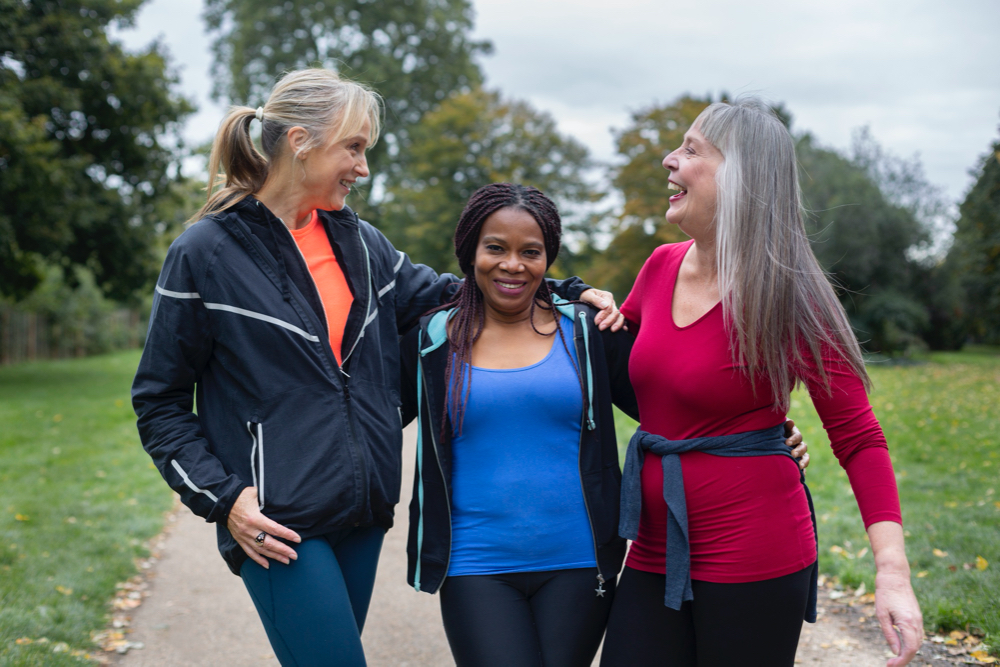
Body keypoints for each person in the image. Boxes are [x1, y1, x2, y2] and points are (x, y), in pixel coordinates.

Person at [130, 70, 617, 667]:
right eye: (354, 148)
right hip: (278, 525)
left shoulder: (361, 243)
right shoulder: (204, 253)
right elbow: (159, 401)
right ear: (301, 142)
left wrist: (569, 291)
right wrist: (226, 499)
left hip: (362, 513)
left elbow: (460, 292)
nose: (362, 168)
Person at [399, 183, 807, 667]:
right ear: (470, 251)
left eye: (531, 252)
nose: (513, 264)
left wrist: (761, 433)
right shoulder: (432, 341)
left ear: (548, 258)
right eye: (495, 248)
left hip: (579, 564)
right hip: (474, 564)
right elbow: (370, 420)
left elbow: (671, 400)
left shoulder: (587, 333)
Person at [600, 98, 923, 667]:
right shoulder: (658, 267)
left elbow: (859, 437)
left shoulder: (792, 294)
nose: (670, 160)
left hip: (754, 555)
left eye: (692, 149)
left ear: (741, 174)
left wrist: (892, 572)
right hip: (654, 547)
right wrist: (588, 305)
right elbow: (639, 378)